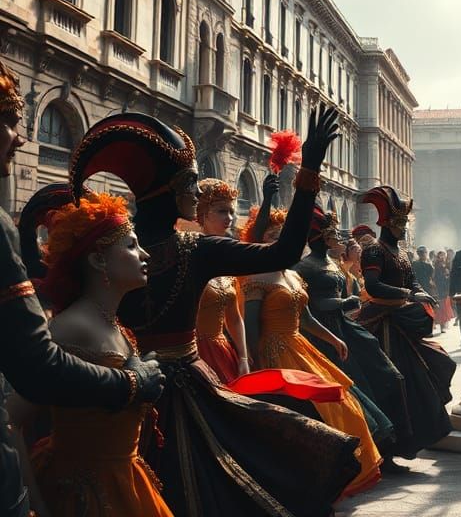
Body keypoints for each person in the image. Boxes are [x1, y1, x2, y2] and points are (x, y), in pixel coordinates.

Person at [68, 107, 361, 517]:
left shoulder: (113, 250)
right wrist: (308, 170)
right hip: (172, 387)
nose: (196, 191)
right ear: (169, 190)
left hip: (122, 394)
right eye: (190, 183)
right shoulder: (193, 250)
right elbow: (284, 251)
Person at [0, 64, 163, 517]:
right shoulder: (72, 325)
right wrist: (135, 382)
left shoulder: (110, 321)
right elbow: (32, 379)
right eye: (10, 121)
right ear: (97, 260)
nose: (20, 137)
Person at [6, 192, 172, 516]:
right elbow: (11, 419)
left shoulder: (116, 325)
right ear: (98, 261)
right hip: (81, 499)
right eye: (131, 246)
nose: (145, 255)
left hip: (126, 483)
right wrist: (35, 504)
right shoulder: (70, 328)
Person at [238, 206, 383, 498]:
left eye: (284, 236)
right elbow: (250, 325)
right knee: (307, 417)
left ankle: (339, 476)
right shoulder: (257, 277)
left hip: (299, 347)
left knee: (345, 406)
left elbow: (305, 319)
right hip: (273, 353)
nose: (281, 242)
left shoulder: (290, 274)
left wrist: (332, 339)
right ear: (261, 241)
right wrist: (253, 363)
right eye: (274, 236)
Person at [293, 202, 414, 469]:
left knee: (389, 377)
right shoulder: (304, 268)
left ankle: (388, 449)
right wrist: (343, 303)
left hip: (347, 328)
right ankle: (362, 458)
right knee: (355, 391)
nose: (337, 237)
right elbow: (309, 306)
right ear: (319, 237)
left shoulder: (332, 264)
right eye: (331, 234)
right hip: (323, 334)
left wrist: (346, 304)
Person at [358, 186, 456, 455]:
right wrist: (408, 294)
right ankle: (387, 448)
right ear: (388, 223)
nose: (404, 228)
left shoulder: (400, 253)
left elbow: (411, 280)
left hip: (401, 322)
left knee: (438, 363)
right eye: (401, 223)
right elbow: (373, 286)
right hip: (381, 323)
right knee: (392, 382)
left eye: (405, 223)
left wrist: (421, 292)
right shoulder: (374, 251)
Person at [194, 178, 250, 382]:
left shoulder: (227, 260)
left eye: (231, 212)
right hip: (193, 353)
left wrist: (243, 357)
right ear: (203, 213)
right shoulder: (188, 254)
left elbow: (234, 318)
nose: (229, 218)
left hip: (223, 351)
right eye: (221, 211)